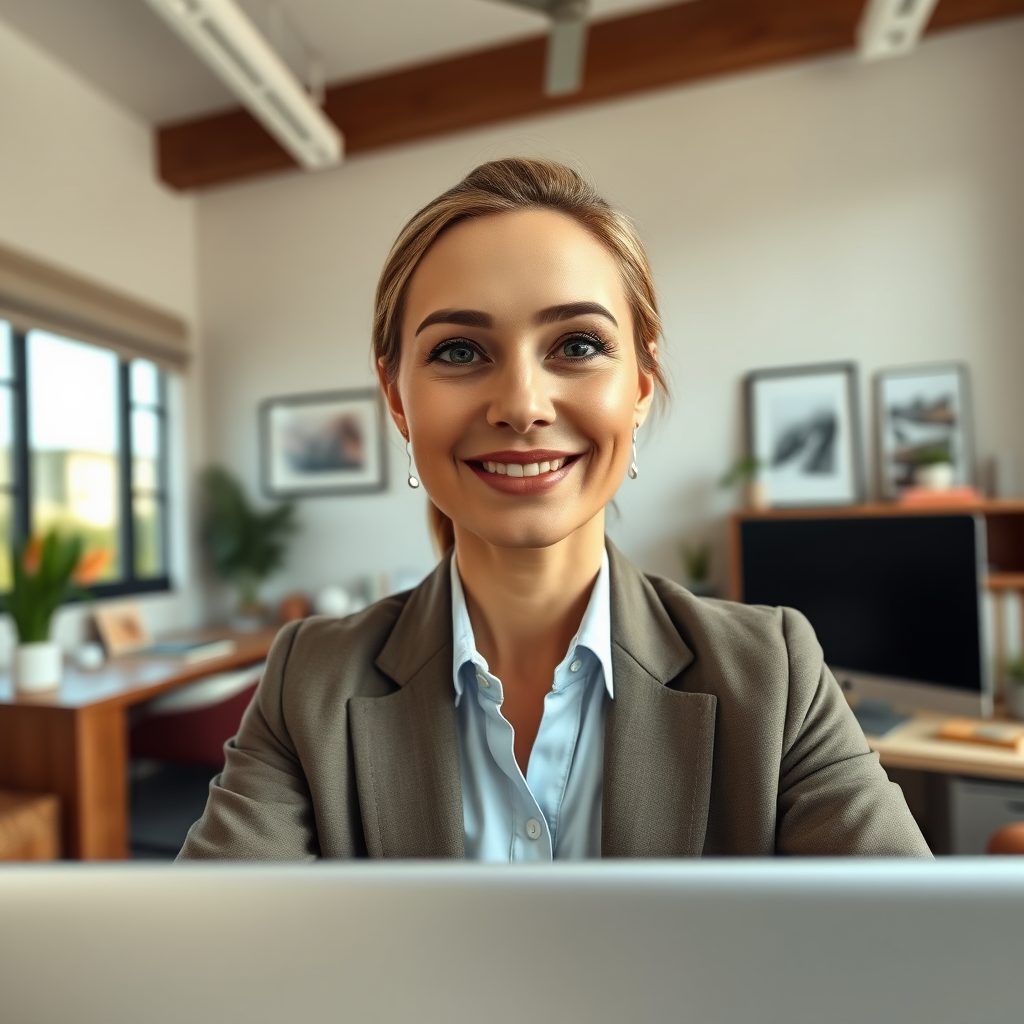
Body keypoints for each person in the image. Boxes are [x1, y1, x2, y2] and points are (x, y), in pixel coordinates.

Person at [179, 158, 929, 861]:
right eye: (459, 352)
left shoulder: (773, 674)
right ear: (397, 399)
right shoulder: (309, 679)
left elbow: (921, 962)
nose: (522, 406)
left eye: (576, 344)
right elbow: (203, 964)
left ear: (639, 385)